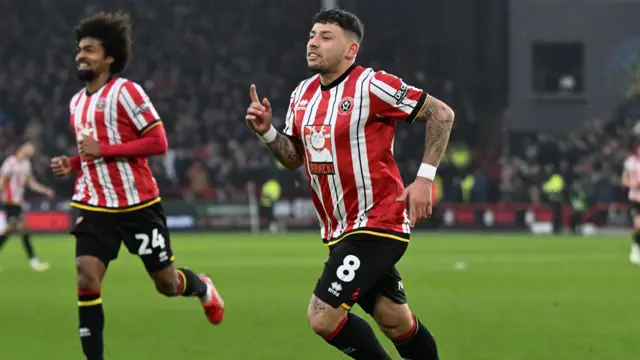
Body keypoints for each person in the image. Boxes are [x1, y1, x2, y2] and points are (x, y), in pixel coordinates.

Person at [245, 9, 454, 360]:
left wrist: (424, 179)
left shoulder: (372, 85)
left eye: (326, 37)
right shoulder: (301, 95)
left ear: (350, 50)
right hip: (339, 229)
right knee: (395, 322)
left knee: (323, 317)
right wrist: (267, 132)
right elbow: (295, 158)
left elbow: (441, 114)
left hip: (377, 223)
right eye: (312, 35)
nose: (313, 42)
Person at [49, 12, 224, 360]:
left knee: (167, 284)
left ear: (109, 56)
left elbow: (158, 142)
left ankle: (203, 287)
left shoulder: (127, 92)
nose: (81, 55)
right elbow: (93, 152)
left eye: (90, 50)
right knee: (86, 275)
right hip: (93, 203)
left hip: (137, 205)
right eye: (79, 50)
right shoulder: (76, 103)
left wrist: (103, 151)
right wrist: (72, 164)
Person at [0, 142, 53, 271]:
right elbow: (2, 180)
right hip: (9, 202)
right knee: (23, 229)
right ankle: (34, 261)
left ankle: (34, 261)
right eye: (30, 148)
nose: (32, 151)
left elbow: (30, 183)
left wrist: (45, 190)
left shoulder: (26, 164)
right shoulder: (10, 162)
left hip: (18, 202)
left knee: (9, 231)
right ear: (22, 148)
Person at [622, 145, 640, 264]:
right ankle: (635, 248)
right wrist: (631, 185)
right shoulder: (630, 162)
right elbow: (624, 178)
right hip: (636, 198)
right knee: (638, 225)